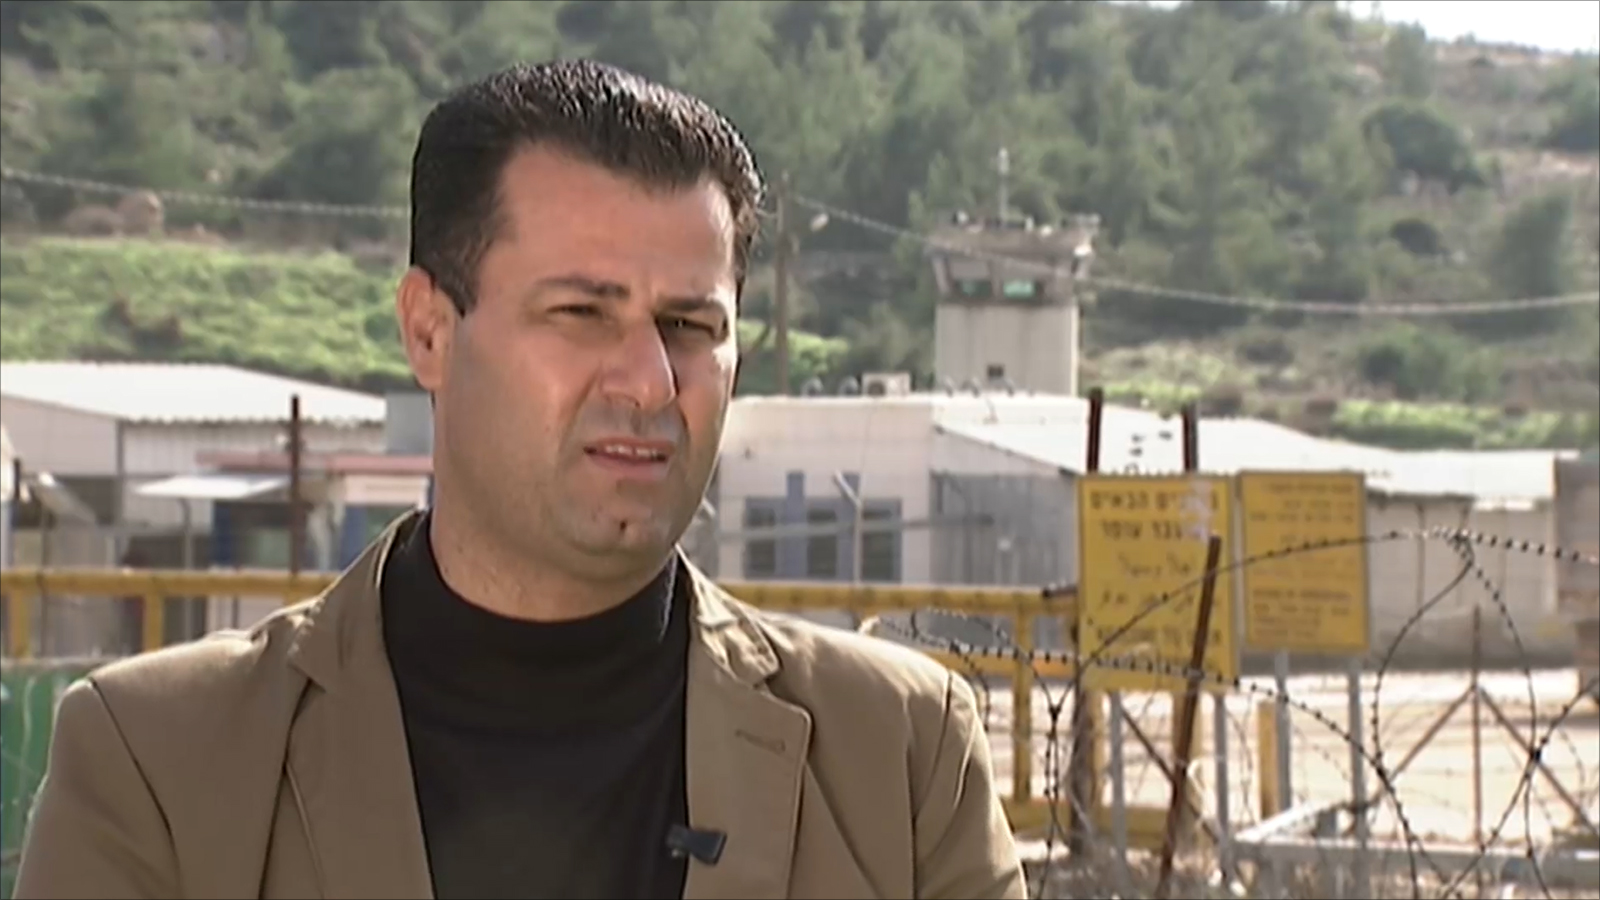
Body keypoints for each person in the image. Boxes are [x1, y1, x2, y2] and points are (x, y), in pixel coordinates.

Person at [13, 59, 1028, 900]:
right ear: (429, 331)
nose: (650, 381)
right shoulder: (161, 765)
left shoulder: (898, 758)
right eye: (582, 313)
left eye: (689, 325)